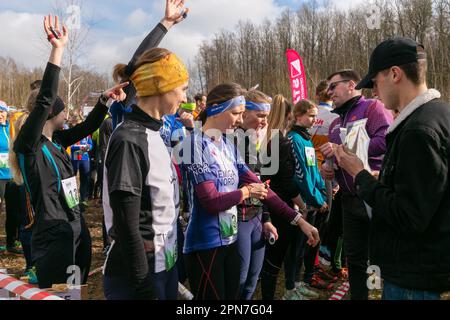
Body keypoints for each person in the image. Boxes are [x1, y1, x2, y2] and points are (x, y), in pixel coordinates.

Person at [12, 15, 127, 289]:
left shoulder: (59, 140)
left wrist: (104, 101)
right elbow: (44, 99)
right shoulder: (29, 145)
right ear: (52, 112)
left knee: (75, 291)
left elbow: (89, 125)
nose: (67, 112)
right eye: (62, 108)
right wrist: (58, 49)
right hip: (53, 237)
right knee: (56, 292)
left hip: (75, 228)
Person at [334, 37, 450, 300]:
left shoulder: (419, 130)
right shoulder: (439, 115)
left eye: (375, 82)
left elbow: (408, 216)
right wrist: (384, 178)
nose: (374, 92)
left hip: (415, 278)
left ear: (395, 74)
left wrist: (361, 175)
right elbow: (428, 194)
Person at [180, 83, 320, 300]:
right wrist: (246, 192)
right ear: (216, 108)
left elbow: (263, 190)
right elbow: (210, 202)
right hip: (205, 244)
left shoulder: (227, 146)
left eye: (242, 114)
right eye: (236, 113)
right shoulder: (192, 145)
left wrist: (300, 221)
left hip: (230, 239)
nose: (238, 120)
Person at [319, 69, 393, 300]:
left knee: (380, 257)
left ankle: (380, 294)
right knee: (355, 257)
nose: (329, 92)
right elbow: (332, 164)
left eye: (333, 86)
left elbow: (386, 141)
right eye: (328, 88)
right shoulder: (334, 124)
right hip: (349, 200)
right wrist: (327, 168)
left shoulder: (373, 108)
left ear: (351, 85)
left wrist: (342, 151)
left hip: (374, 195)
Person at [259, 95, 318, 300]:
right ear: (288, 116)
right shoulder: (281, 142)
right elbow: (287, 181)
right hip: (280, 204)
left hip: (267, 202)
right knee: (275, 259)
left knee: (270, 258)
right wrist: (301, 206)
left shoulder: (266, 140)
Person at [109, 0, 189, 131]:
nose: (185, 99)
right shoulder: (126, 105)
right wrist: (166, 23)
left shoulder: (164, 115)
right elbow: (137, 62)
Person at [233, 89, 278, 300]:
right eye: (261, 116)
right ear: (244, 111)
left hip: (257, 218)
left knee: (252, 280)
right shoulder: (228, 140)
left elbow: (262, 184)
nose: (264, 122)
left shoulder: (252, 140)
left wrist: (267, 218)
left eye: (266, 118)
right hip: (237, 220)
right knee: (238, 281)